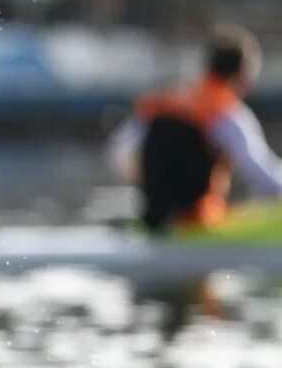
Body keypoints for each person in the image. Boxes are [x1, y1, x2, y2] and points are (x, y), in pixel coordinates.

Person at [107, 25, 282, 232]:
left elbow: (117, 154)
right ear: (244, 76)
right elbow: (264, 175)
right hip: (199, 223)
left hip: (154, 219)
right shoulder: (228, 112)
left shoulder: (167, 99)